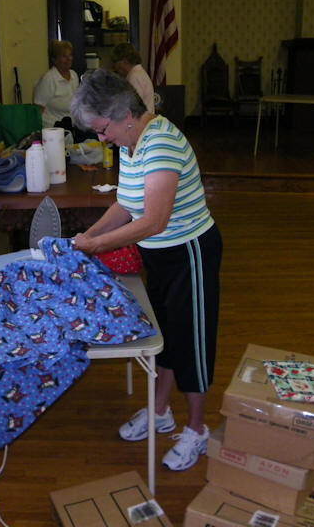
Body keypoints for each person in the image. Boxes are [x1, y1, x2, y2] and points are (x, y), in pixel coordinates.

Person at [70, 69, 222, 472]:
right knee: (164, 336)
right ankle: (159, 412)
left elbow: (154, 220)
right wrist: (89, 235)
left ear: (125, 115)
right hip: (159, 255)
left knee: (192, 343)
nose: (101, 138)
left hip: (189, 253)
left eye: (102, 129)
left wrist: (98, 246)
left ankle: (197, 429)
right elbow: (125, 203)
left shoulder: (160, 144)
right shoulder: (131, 142)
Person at [32, 40, 80, 130]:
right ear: (54, 59)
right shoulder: (48, 79)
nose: (69, 59)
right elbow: (37, 110)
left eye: (70, 55)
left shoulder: (74, 75)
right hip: (51, 130)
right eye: (64, 56)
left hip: (70, 128)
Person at [111, 42, 155, 113]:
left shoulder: (134, 77)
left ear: (124, 61)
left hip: (140, 119)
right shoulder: (138, 73)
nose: (114, 66)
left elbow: (133, 107)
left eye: (115, 61)